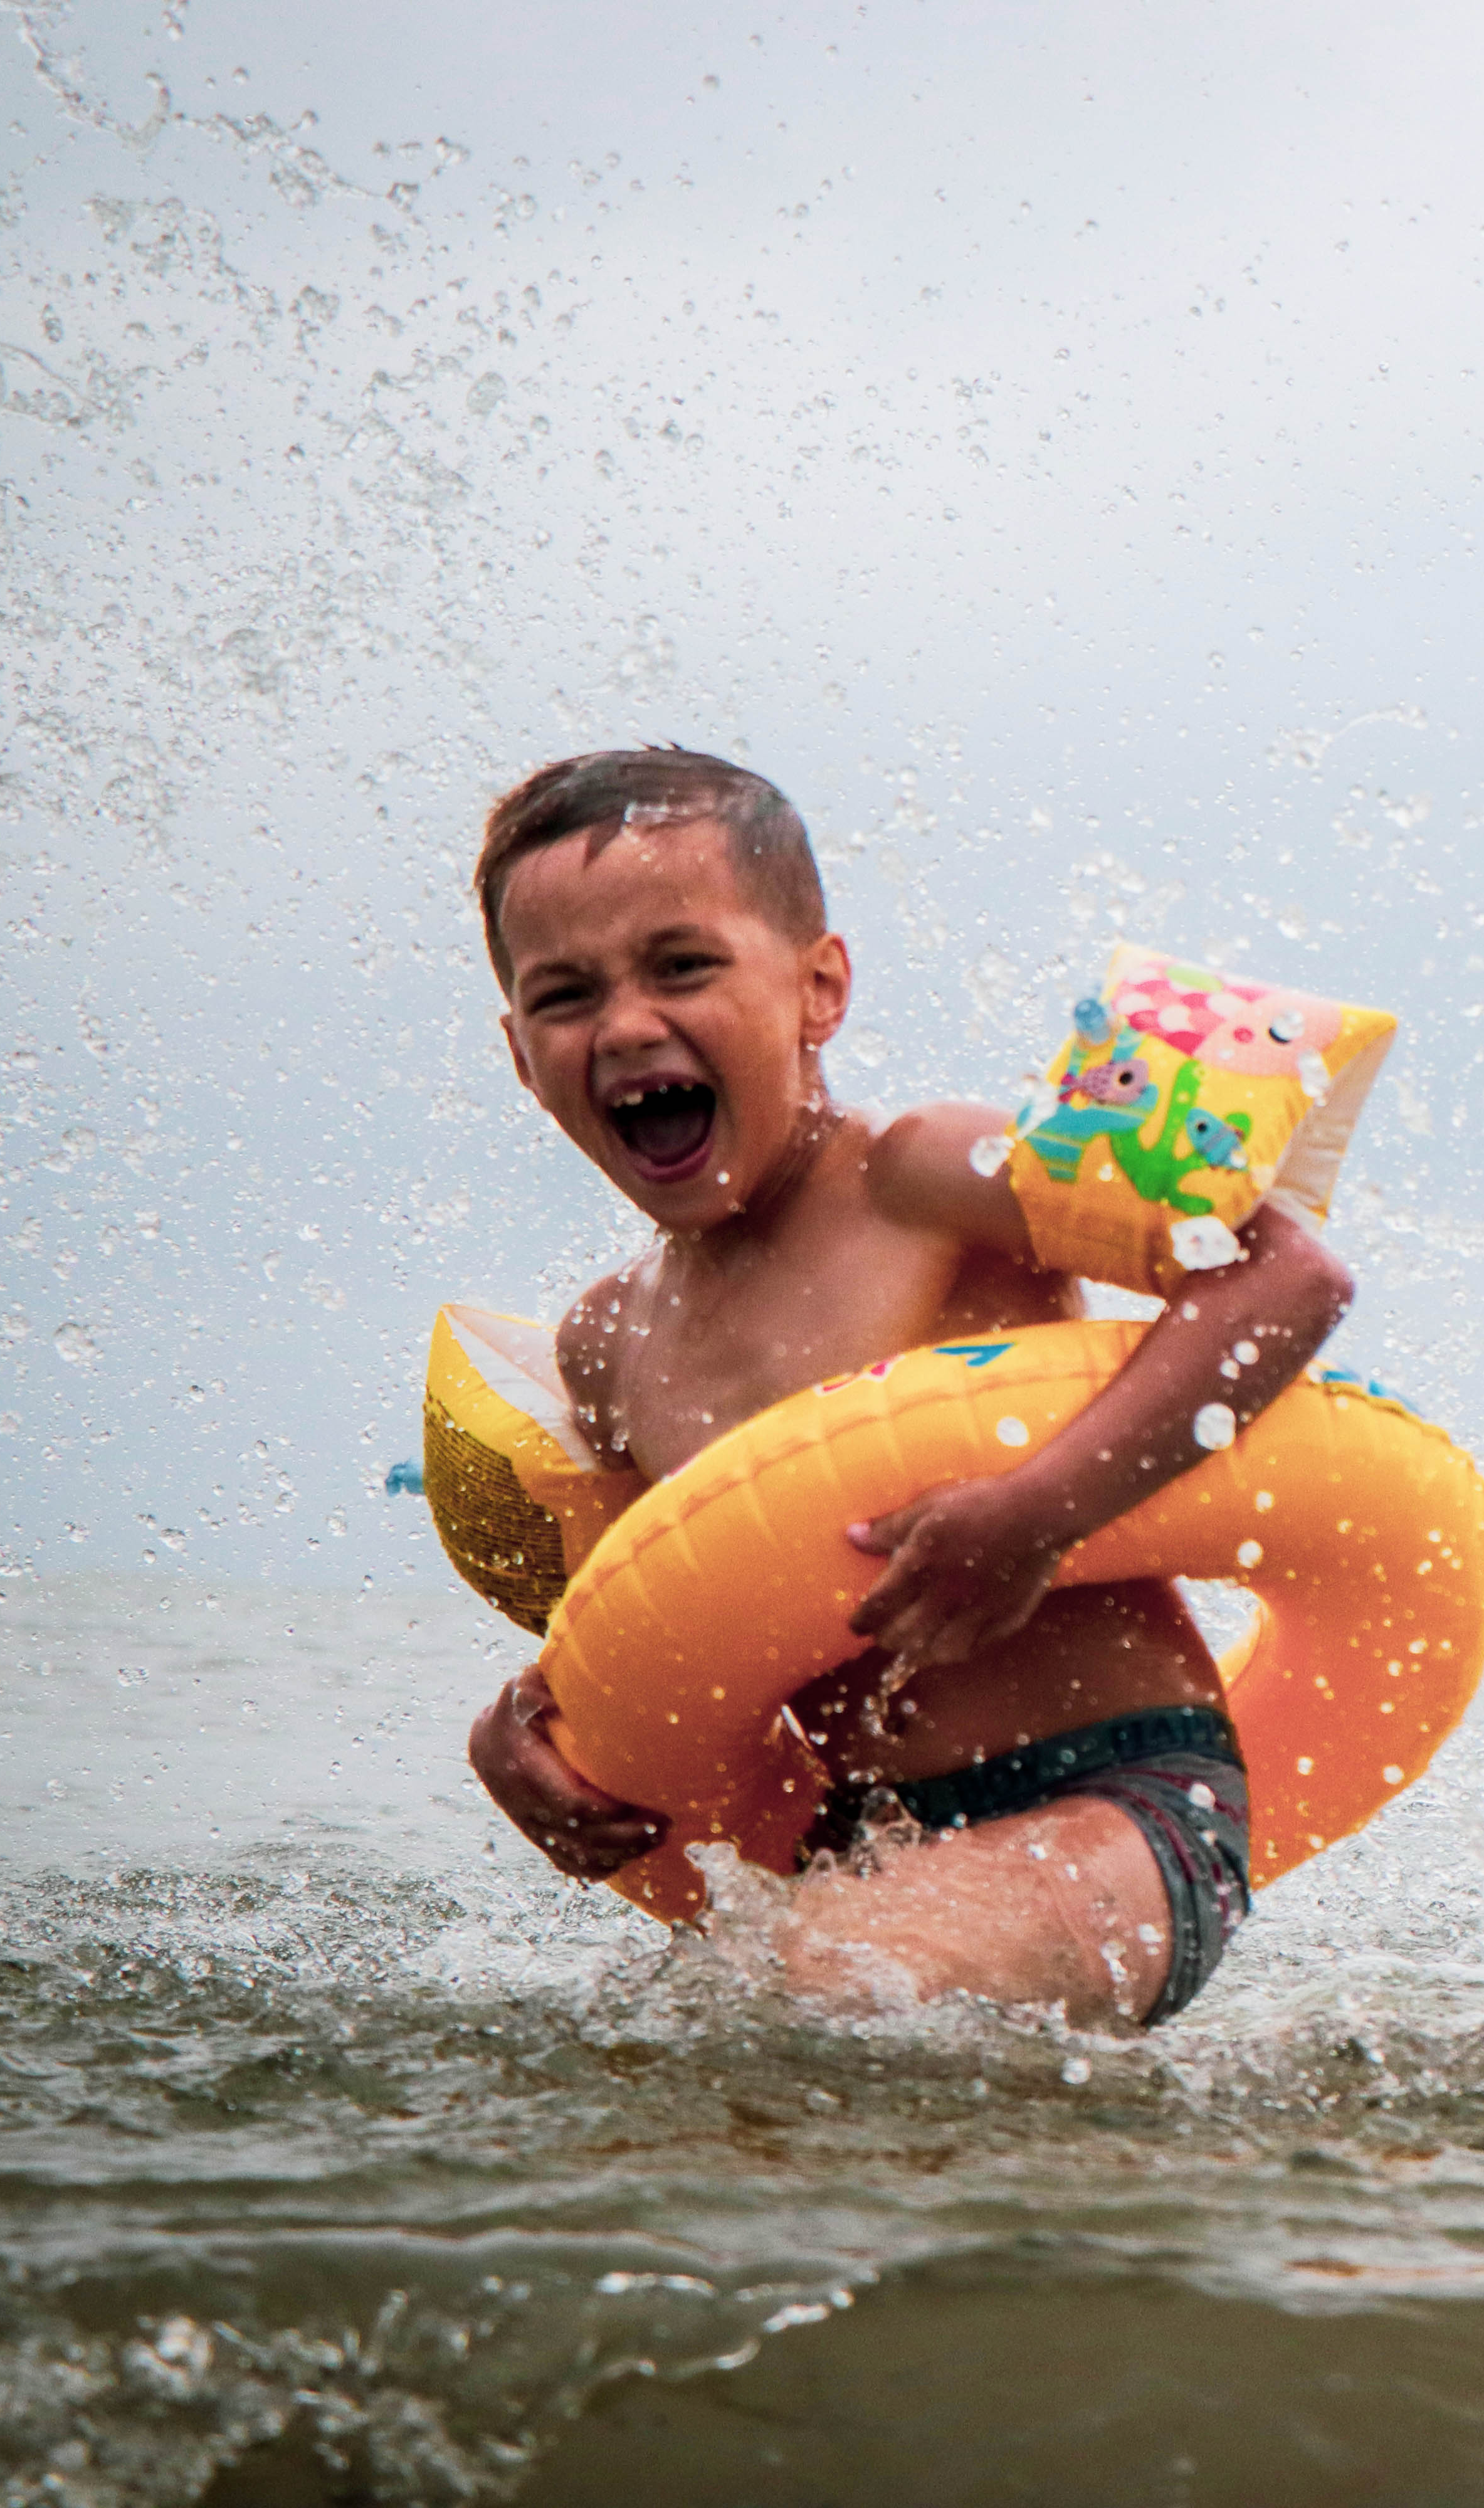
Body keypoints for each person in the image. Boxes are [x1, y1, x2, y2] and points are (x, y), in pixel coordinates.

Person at [458, 749, 1354, 2023]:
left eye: (683, 966)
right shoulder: (607, 1344)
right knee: (733, 2029)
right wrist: (521, 1731)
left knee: (830, 1985)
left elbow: (1287, 1278)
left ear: (819, 988)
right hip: (855, 1840)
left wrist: (1040, 1511)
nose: (627, 1026)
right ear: (519, 1053)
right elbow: (643, 1616)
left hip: (1125, 1794)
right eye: (565, 994)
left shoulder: (920, 1175)